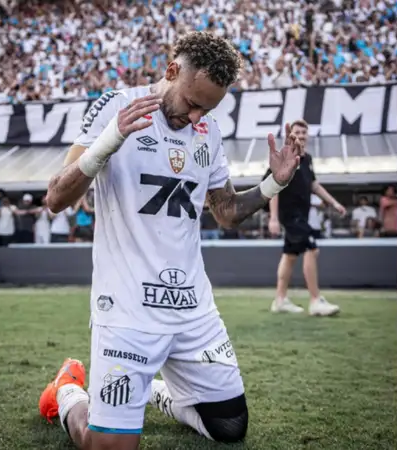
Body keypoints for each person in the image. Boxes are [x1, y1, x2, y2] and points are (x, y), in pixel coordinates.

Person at [38, 31, 302, 450]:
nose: (196, 117)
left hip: (192, 309)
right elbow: (56, 198)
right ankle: (68, 391)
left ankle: (158, 394)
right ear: (172, 71)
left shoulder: (207, 132)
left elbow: (226, 211)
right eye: (192, 103)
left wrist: (274, 184)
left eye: (207, 109)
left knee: (230, 427)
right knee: (108, 447)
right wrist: (109, 142)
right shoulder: (117, 106)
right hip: (127, 310)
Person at [265, 120, 346, 316]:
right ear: (290, 135)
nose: (301, 135)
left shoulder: (307, 159)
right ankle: (315, 300)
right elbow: (272, 187)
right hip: (290, 216)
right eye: (297, 132)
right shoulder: (284, 157)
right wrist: (273, 218)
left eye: (304, 132)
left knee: (290, 255)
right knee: (311, 248)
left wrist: (333, 203)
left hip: (302, 215)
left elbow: (314, 185)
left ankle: (280, 300)